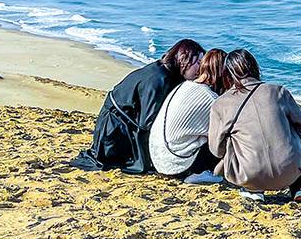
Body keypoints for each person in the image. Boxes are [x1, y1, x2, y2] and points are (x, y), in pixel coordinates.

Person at [209, 48, 301, 203]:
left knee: (233, 140)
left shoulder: (220, 103)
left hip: (247, 173)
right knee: (295, 135)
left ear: (227, 75)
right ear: (255, 68)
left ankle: (253, 189)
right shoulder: (277, 91)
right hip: (288, 171)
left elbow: (216, 149)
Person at [71, 38, 205, 173]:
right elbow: (147, 123)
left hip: (119, 122)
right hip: (114, 130)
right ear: (184, 59)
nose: (200, 69)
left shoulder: (165, 72)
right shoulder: (158, 80)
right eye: (198, 63)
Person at [149, 48, 227, 182]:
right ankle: (203, 173)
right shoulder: (210, 98)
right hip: (175, 164)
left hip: (157, 156)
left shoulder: (184, 85)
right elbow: (219, 135)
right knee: (224, 138)